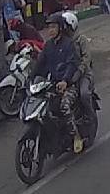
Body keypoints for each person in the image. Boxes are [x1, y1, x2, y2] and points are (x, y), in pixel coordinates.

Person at [32, 12, 84, 152]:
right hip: (52, 84)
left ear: (60, 28)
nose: (51, 30)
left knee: (64, 106)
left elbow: (71, 64)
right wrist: (30, 79)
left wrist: (65, 81)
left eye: (54, 27)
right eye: (49, 27)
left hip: (69, 84)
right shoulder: (48, 46)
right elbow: (40, 64)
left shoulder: (68, 44)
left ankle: (76, 136)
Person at [61, 11, 97, 147]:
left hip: (84, 74)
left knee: (84, 94)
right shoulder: (62, 42)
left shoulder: (81, 40)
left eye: (66, 27)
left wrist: (79, 71)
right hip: (67, 75)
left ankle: (89, 116)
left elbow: (86, 58)